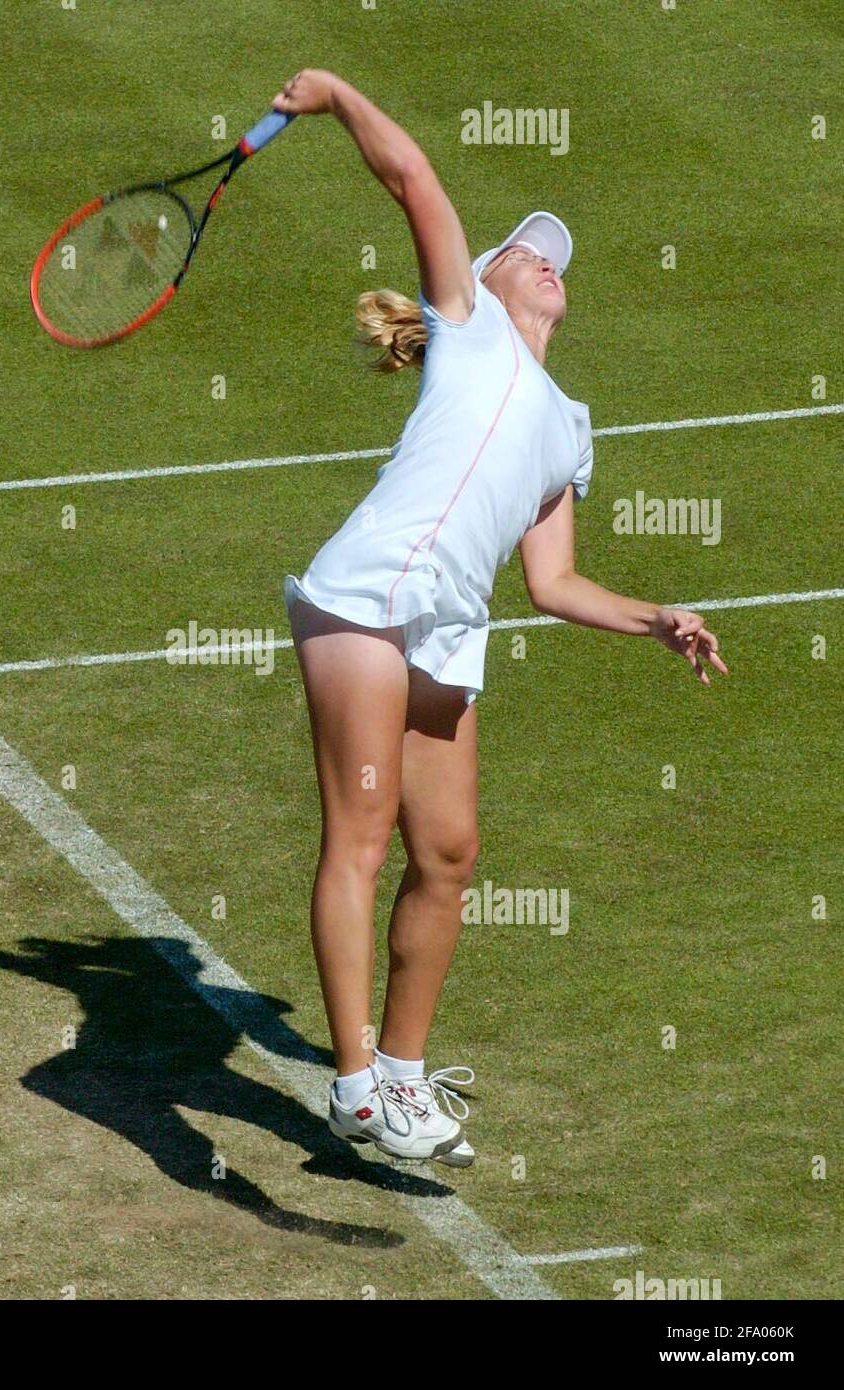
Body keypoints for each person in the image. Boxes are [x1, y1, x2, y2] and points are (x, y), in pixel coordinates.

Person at [275, 70, 728, 1166]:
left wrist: (652, 616)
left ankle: (405, 1074)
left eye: (555, 258)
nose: (545, 261)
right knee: (365, 838)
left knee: (449, 849)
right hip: (366, 596)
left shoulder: (570, 426)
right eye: (527, 249)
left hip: (444, 628)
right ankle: (351, 1085)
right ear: (480, 279)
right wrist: (336, 94)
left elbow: (554, 582)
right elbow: (411, 173)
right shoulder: (466, 321)